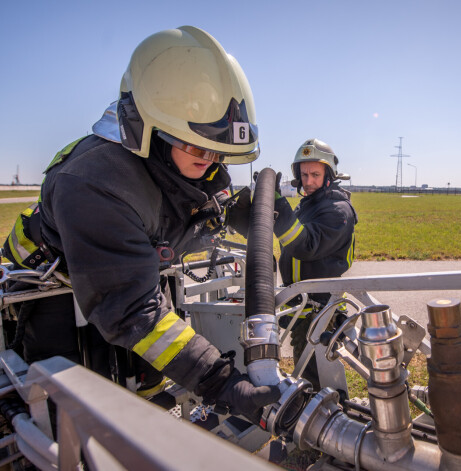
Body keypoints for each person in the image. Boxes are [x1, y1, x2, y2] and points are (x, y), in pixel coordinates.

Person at [1, 26, 279, 423]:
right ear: (147, 130)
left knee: (145, 380)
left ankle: (145, 419)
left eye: (219, 152)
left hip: (129, 274)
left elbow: (187, 206)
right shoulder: (96, 183)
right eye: (198, 146)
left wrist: (231, 213)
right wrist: (218, 381)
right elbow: (132, 309)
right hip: (50, 290)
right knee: (69, 403)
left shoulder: (179, 163)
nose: (210, 162)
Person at [273, 139, 357, 390]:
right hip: (303, 301)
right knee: (306, 362)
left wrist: (278, 207)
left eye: (315, 175)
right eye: (304, 174)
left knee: (315, 372)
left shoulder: (337, 210)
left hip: (319, 307)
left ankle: (327, 416)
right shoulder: (310, 205)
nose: (307, 181)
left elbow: (306, 245)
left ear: (329, 175)